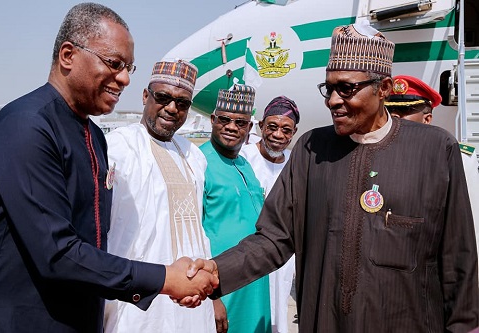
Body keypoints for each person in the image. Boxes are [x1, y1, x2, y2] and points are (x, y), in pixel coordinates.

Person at [187, 21, 479, 332]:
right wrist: (217, 272)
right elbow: (274, 238)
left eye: (347, 88)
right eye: (329, 88)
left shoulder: (434, 148)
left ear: (383, 89)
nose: (333, 100)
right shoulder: (313, 149)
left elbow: (458, 259)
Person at [0, 4, 216, 332]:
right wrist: (164, 278)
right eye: (115, 63)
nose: (125, 78)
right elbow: (57, 254)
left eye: (129, 67)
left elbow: (96, 239)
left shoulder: (92, 134)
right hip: (22, 320)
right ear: (67, 55)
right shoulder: (27, 126)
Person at [103, 60, 215, 333]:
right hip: (137, 301)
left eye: (182, 103)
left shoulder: (194, 155)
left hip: (191, 304)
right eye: (163, 97)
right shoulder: (117, 146)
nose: (172, 108)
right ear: (145, 96)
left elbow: (197, 230)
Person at [386, 74, 479, 282]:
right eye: (390, 111)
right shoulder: (374, 157)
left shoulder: (459, 159)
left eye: (405, 111)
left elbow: (468, 232)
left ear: (427, 119)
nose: (395, 118)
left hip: (431, 278)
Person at [200, 83, 271, 333]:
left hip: (254, 286)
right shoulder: (198, 163)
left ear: (250, 127)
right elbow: (191, 235)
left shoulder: (244, 164)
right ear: (212, 119)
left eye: (240, 122)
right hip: (220, 289)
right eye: (225, 119)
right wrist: (211, 298)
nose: (231, 127)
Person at [240, 95, 299, 333]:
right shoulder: (243, 158)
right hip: (246, 250)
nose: (278, 135)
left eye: (286, 130)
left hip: (281, 257)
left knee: (277, 314)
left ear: (294, 132)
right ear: (261, 126)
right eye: (272, 127)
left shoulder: (295, 163)